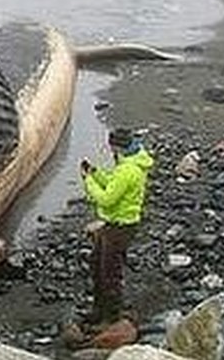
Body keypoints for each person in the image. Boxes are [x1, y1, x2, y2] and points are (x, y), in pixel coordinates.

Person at [80, 127, 154, 326]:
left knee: (109, 272)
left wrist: (88, 182)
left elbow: (106, 199)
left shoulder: (128, 170)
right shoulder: (130, 162)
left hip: (120, 227)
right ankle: (99, 310)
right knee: (96, 265)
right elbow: (113, 184)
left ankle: (111, 316)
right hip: (113, 225)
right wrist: (95, 174)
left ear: (116, 146)